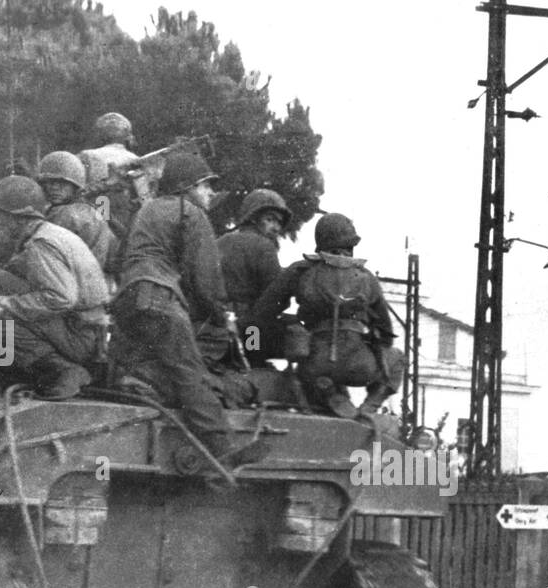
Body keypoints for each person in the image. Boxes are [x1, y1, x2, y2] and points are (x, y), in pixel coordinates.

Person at [112, 151, 265, 473]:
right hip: (160, 297)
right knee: (190, 373)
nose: (210, 194)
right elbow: (206, 278)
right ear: (187, 187)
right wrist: (223, 317)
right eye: (206, 186)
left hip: (128, 298)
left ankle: (138, 382)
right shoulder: (191, 214)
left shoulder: (147, 210)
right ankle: (222, 451)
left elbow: (120, 259)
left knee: (152, 363)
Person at [0, 175, 109, 400]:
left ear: (18, 219)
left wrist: (4, 305)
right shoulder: (47, 233)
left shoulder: (42, 244)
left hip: (80, 337)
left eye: (1, 218)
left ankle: (63, 370)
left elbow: (60, 298)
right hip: (81, 326)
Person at [249, 212, 402, 419]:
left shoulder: (300, 271)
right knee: (397, 357)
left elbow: (261, 314)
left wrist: (263, 341)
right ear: (351, 245)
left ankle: (328, 390)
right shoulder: (367, 278)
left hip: (313, 365)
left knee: (309, 364)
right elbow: (386, 333)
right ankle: (370, 406)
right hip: (358, 367)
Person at [217, 188, 290, 357]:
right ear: (253, 218)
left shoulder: (219, 241)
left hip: (215, 324)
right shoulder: (264, 246)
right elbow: (275, 296)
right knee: (295, 330)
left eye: (279, 223)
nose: (276, 227)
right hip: (249, 329)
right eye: (270, 219)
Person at [36, 150, 118, 278]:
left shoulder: (65, 213)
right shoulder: (95, 209)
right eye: (50, 182)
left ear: (76, 185)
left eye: (62, 183)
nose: (55, 188)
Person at [79, 112, 141, 240]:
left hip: (92, 225)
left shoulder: (86, 156)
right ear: (127, 136)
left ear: (100, 135)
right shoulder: (138, 161)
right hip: (126, 228)